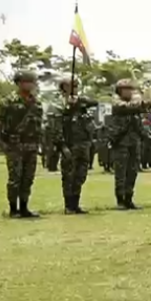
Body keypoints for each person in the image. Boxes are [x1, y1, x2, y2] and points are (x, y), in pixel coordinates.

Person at [0, 70, 43, 218]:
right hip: (15, 145)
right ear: (19, 83)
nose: (30, 84)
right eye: (27, 81)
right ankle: (13, 209)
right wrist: (4, 143)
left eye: (32, 81)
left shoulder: (36, 103)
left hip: (31, 145)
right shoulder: (9, 101)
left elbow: (38, 125)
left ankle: (24, 207)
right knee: (15, 178)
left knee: (28, 178)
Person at [54, 76, 97, 214]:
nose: (75, 89)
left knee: (81, 175)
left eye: (76, 86)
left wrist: (78, 102)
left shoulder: (81, 102)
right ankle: (68, 205)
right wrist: (62, 146)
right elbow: (55, 127)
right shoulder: (58, 104)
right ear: (63, 88)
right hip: (69, 144)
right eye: (72, 86)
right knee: (69, 176)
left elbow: (95, 102)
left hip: (83, 144)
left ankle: (76, 203)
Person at [108, 79, 151, 210]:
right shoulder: (117, 102)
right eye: (125, 89)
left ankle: (129, 198)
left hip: (134, 141)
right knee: (121, 172)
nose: (128, 92)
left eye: (130, 89)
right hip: (121, 142)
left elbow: (139, 119)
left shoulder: (134, 104)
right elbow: (127, 108)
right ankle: (120, 199)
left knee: (132, 171)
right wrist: (142, 103)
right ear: (119, 91)